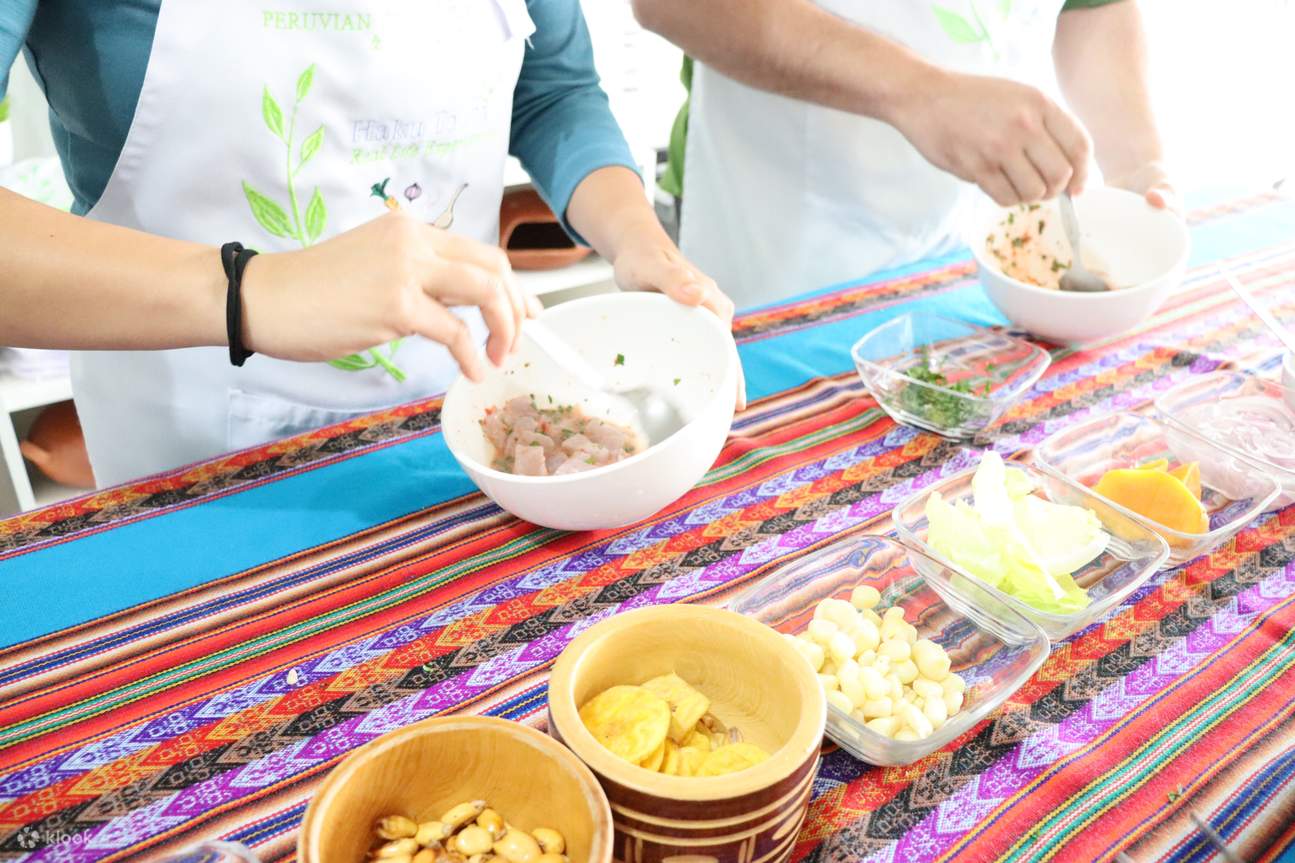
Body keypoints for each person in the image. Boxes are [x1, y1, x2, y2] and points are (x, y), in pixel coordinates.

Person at [0, 0, 731, 487]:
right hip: (197, 457)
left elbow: (553, 92)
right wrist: (250, 290)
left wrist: (638, 239)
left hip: (473, 420)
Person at [632, 0, 1177, 309]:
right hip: (779, 239)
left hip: (973, 255)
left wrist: (1136, 162)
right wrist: (918, 93)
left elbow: (1093, 8)